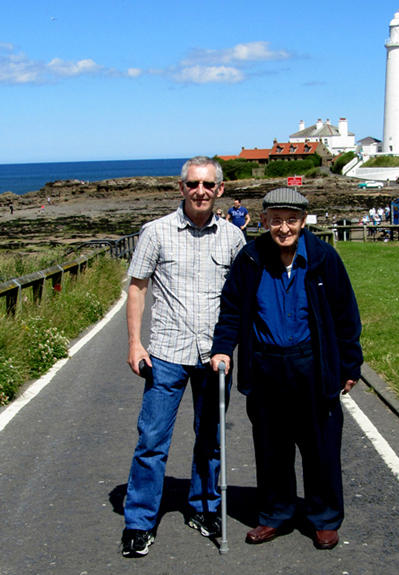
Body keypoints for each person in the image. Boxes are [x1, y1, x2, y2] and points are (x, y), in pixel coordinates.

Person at [210, 188, 363, 551]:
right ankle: (275, 514)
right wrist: (222, 349)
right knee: (271, 446)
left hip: (313, 361)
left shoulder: (324, 258)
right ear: (263, 221)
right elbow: (231, 309)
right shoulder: (250, 258)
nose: (283, 228)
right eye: (275, 220)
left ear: (303, 221)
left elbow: (346, 316)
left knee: (320, 445)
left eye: (291, 220)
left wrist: (350, 364)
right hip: (266, 364)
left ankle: (323, 517)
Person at [121, 156, 245, 557]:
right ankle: (139, 521)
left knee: (210, 441)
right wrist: (135, 344)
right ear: (181, 188)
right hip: (166, 354)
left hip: (215, 357)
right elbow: (137, 288)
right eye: (193, 184)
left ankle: (205, 507)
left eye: (208, 185)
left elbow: (242, 299)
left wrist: (234, 348)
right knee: (152, 439)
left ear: (220, 190)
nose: (201, 191)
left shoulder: (232, 238)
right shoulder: (155, 233)